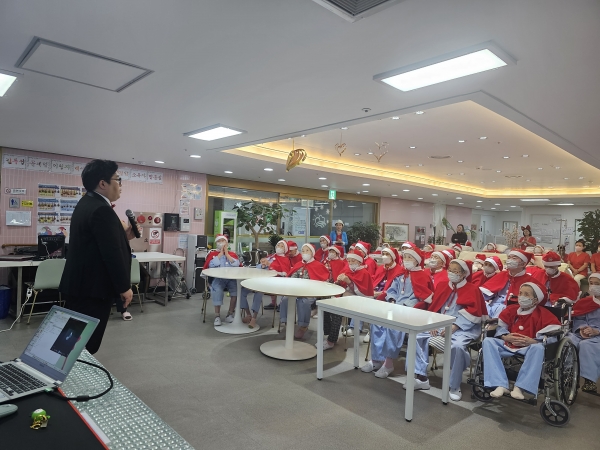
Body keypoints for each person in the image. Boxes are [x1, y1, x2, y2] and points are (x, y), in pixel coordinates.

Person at [59, 159, 136, 354]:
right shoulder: (102, 209)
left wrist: (124, 237)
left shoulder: (86, 203)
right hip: (92, 291)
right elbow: (111, 254)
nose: (120, 185)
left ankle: (62, 378)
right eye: (117, 179)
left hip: (80, 286)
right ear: (103, 183)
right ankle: (69, 381)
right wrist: (124, 287)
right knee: (84, 345)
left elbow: (99, 244)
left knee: (71, 341)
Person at [408, 260, 485, 398]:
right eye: (450, 269)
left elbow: (474, 314)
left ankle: (454, 386)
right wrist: (433, 323)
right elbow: (435, 308)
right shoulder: (443, 285)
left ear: (463, 274)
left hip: (463, 327)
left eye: (456, 271)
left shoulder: (473, 289)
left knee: (457, 347)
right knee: (417, 336)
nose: (451, 273)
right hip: (439, 324)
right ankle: (421, 378)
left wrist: (455, 326)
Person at [362, 246, 433, 378]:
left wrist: (406, 306)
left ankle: (388, 363)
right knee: (376, 322)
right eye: (405, 257)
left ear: (417, 261)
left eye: (409, 257)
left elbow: (424, 298)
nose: (406, 260)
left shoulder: (423, 276)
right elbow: (392, 290)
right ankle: (377, 359)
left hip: (411, 310)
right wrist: (393, 299)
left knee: (392, 326)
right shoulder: (402, 274)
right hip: (395, 306)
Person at [483, 282, 561, 400]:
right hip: (508, 344)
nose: (521, 296)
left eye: (526, 294)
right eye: (520, 293)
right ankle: (500, 384)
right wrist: (505, 336)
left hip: (529, 347)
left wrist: (534, 341)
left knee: (539, 348)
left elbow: (553, 337)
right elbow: (500, 327)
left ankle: (520, 387)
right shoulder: (511, 310)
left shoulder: (543, 314)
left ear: (535, 300)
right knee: (488, 341)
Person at [279, 243, 330, 339]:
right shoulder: (298, 264)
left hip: (309, 293)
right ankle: (286, 322)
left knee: (303, 302)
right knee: (285, 299)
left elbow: (322, 280)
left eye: (307, 250)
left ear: (312, 253)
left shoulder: (318, 265)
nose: (305, 253)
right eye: (303, 251)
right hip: (295, 291)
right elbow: (290, 276)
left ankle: (303, 326)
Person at [327, 250, 374, 349]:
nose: (351, 263)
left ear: (359, 262)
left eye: (353, 261)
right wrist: (338, 282)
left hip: (359, 301)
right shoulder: (347, 271)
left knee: (336, 311)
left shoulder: (364, 273)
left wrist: (349, 282)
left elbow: (364, 293)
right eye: (349, 261)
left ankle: (331, 340)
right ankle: (329, 333)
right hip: (346, 298)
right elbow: (342, 286)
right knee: (325, 306)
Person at [240, 240, 291, 328]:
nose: (279, 247)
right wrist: (263, 265)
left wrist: (270, 265)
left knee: (259, 291)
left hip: (274, 283)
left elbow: (285, 273)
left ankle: (254, 318)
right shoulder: (271, 256)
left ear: (285, 249)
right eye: (278, 245)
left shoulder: (285, 260)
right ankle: (248, 314)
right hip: (260, 279)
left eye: (282, 246)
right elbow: (258, 267)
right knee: (242, 291)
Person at [480, 249, 535, 318]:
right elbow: (483, 294)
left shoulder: (530, 281)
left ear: (523, 264)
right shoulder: (502, 274)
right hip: (491, 307)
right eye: (509, 257)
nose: (509, 260)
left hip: (511, 312)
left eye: (514, 258)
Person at [568, 273, 600, 393]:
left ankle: (589, 380)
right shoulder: (584, 302)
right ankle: (569, 374)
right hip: (581, 333)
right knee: (568, 340)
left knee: (586, 345)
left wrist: (597, 331)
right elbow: (578, 318)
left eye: (597, 284)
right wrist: (581, 328)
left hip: (598, 336)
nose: (593, 286)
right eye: (591, 283)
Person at [203, 234, 241, 326]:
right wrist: (219, 255)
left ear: (227, 243)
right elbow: (210, 265)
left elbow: (237, 264)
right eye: (219, 241)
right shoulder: (213, 254)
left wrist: (227, 255)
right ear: (216, 243)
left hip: (231, 278)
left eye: (223, 241)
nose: (221, 243)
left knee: (236, 292)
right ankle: (217, 316)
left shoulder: (232, 254)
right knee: (217, 291)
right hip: (218, 279)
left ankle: (230, 314)